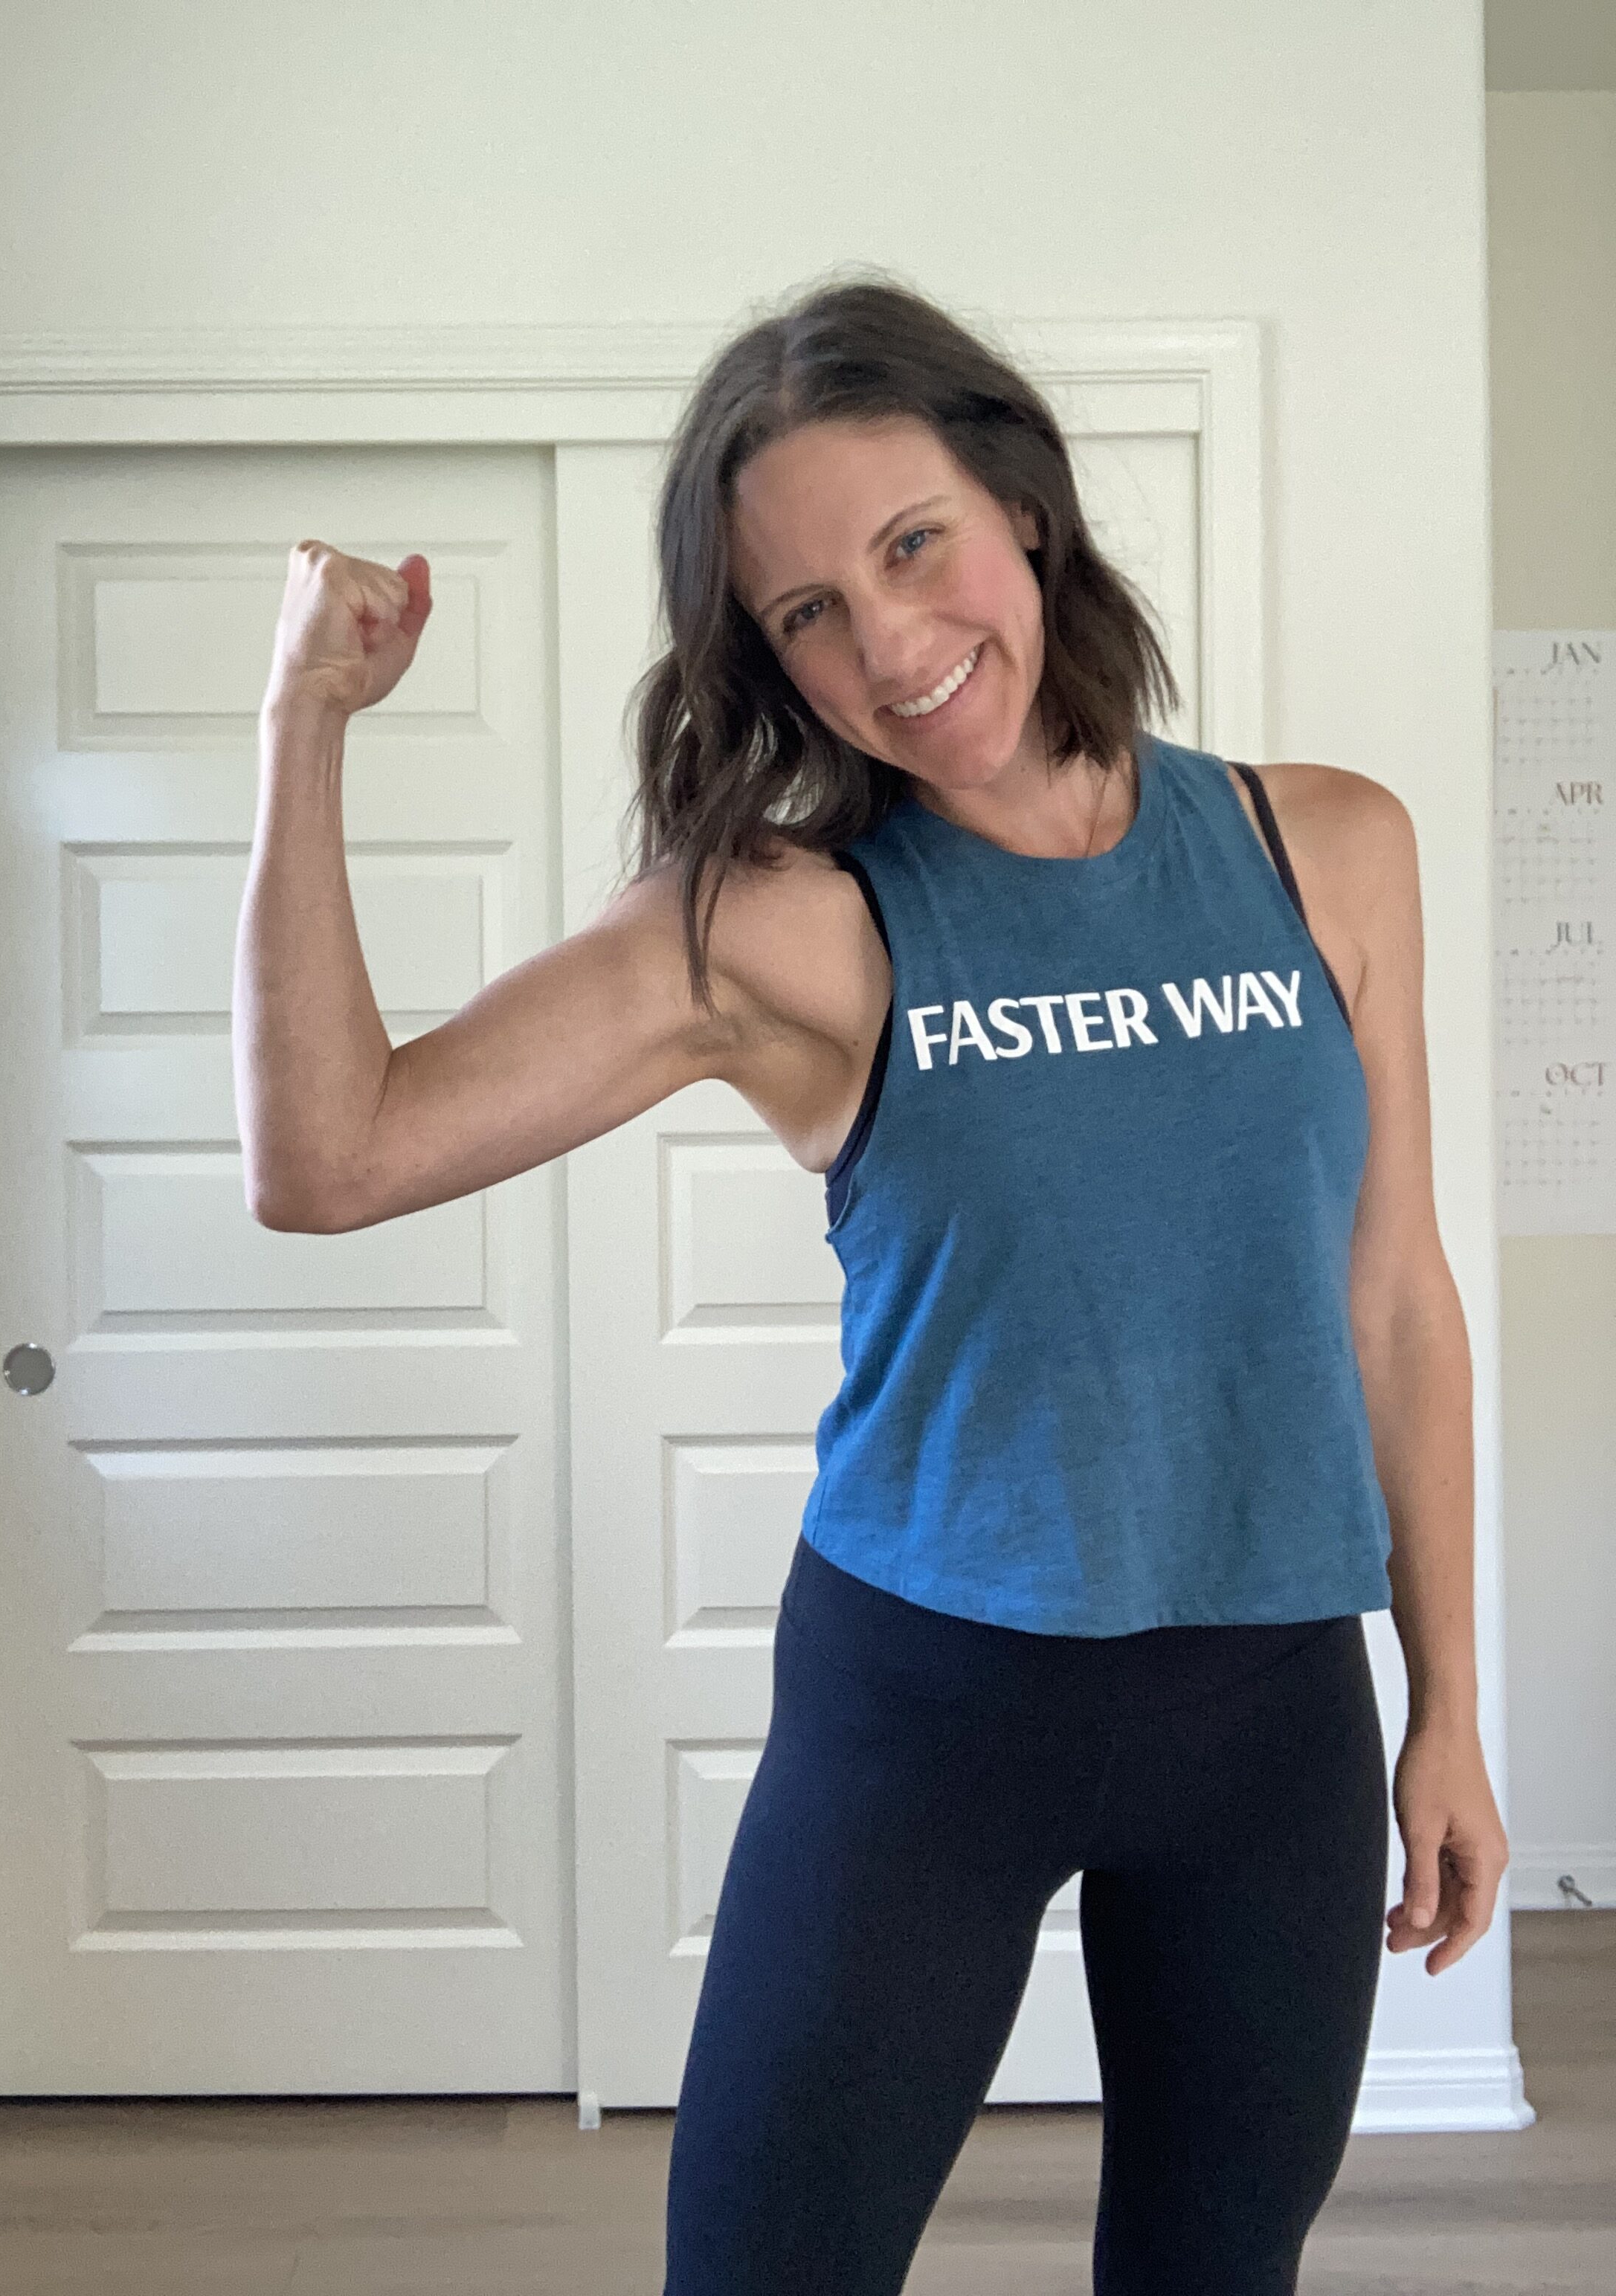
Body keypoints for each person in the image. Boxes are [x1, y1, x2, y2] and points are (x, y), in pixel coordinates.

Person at [234, 272, 1510, 2296]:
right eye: (806, 611)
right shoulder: (788, 923)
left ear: (1022, 506)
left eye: (912, 545)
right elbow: (330, 1157)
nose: (891, 646)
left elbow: (1398, 1303)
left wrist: (1448, 1706)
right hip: (929, 1707)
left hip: (1271, 1705)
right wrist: (305, 723)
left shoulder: (1326, 849)